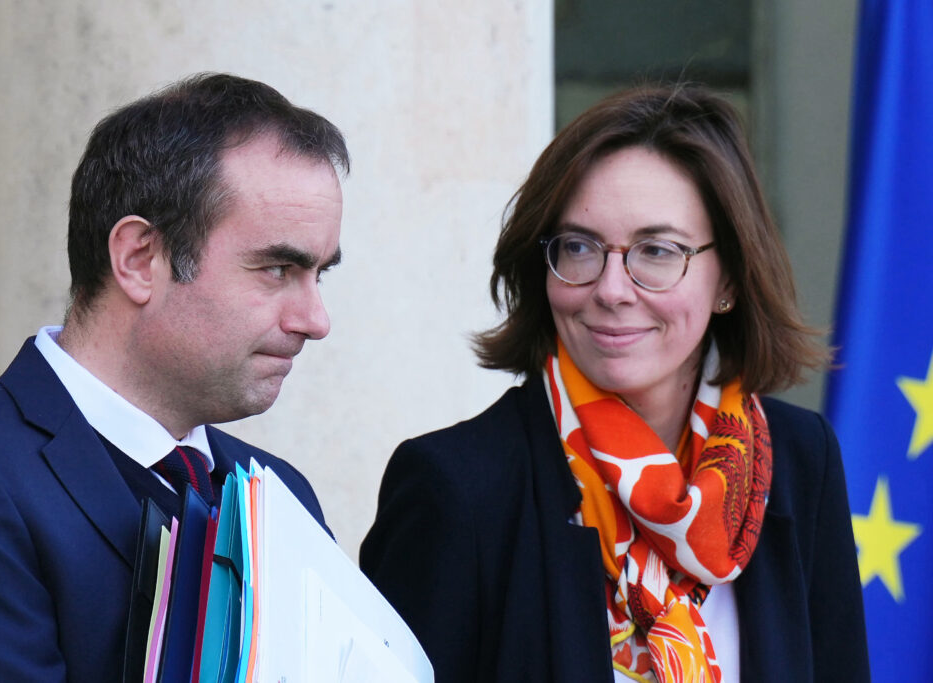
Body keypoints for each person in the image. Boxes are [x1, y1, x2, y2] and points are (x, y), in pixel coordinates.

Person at [360, 84, 869, 683]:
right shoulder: (455, 488)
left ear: (729, 277)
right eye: (580, 247)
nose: (610, 289)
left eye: (656, 251)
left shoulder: (800, 462)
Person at [0, 73, 348, 681]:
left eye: (319, 274)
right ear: (140, 259)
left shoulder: (281, 495)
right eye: (277, 269)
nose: (316, 321)